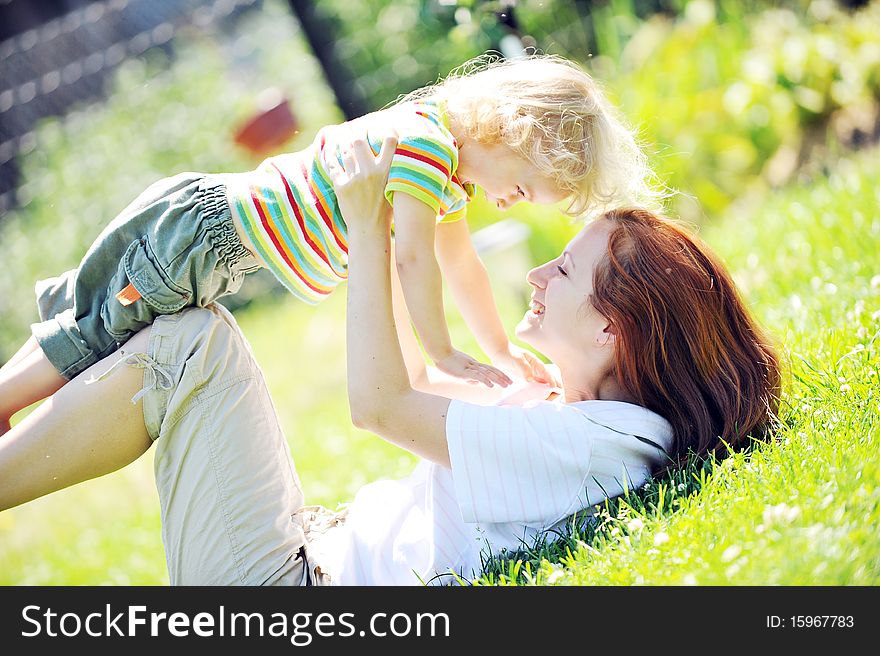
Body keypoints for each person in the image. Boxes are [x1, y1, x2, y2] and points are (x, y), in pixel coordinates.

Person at [0, 137, 780, 586]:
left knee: (191, 345)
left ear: (614, 329)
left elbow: (378, 406)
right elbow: (409, 378)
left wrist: (367, 226)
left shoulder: (600, 448)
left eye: (564, 272)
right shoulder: (571, 412)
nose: (539, 276)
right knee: (182, 339)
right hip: (308, 546)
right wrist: (413, 213)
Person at [0, 53, 658, 435]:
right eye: (524, 186)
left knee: (89, 322)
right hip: (197, 237)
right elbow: (412, 259)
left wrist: (498, 351)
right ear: (511, 133)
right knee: (95, 334)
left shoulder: (449, 175)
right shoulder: (427, 146)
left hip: (204, 244)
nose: (514, 203)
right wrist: (443, 351)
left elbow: (462, 264)